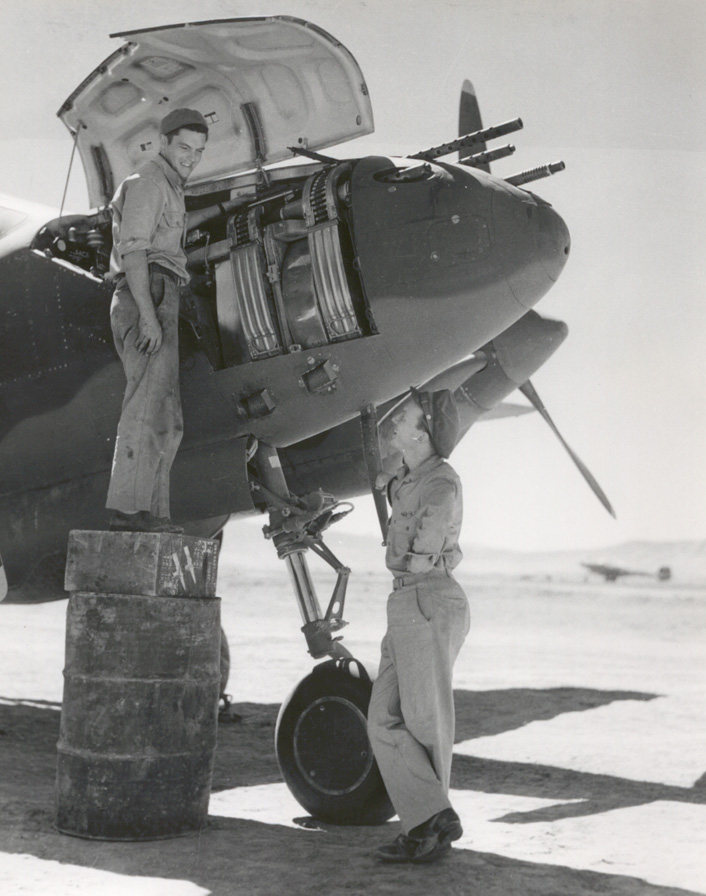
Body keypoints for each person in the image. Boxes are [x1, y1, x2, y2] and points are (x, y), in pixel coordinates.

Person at [105, 107, 239, 533]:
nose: (191, 157)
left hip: (163, 294)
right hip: (147, 293)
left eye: (198, 151)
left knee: (164, 413)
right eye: (184, 147)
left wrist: (224, 206)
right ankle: (127, 513)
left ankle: (153, 514)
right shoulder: (147, 181)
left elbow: (170, 231)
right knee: (146, 406)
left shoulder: (169, 185)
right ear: (163, 142)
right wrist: (148, 315)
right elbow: (134, 252)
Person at [368, 387, 470, 864]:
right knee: (382, 719)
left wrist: (407, 569)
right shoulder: (409, 479)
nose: (394, 419)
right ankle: (434, 813)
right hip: (406, 601)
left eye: (404, 415)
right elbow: (390, 487)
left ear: (424, 431)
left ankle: (427, 830)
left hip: (427, 596)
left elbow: (421, 554)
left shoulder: (440, 485)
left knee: (426, 720)